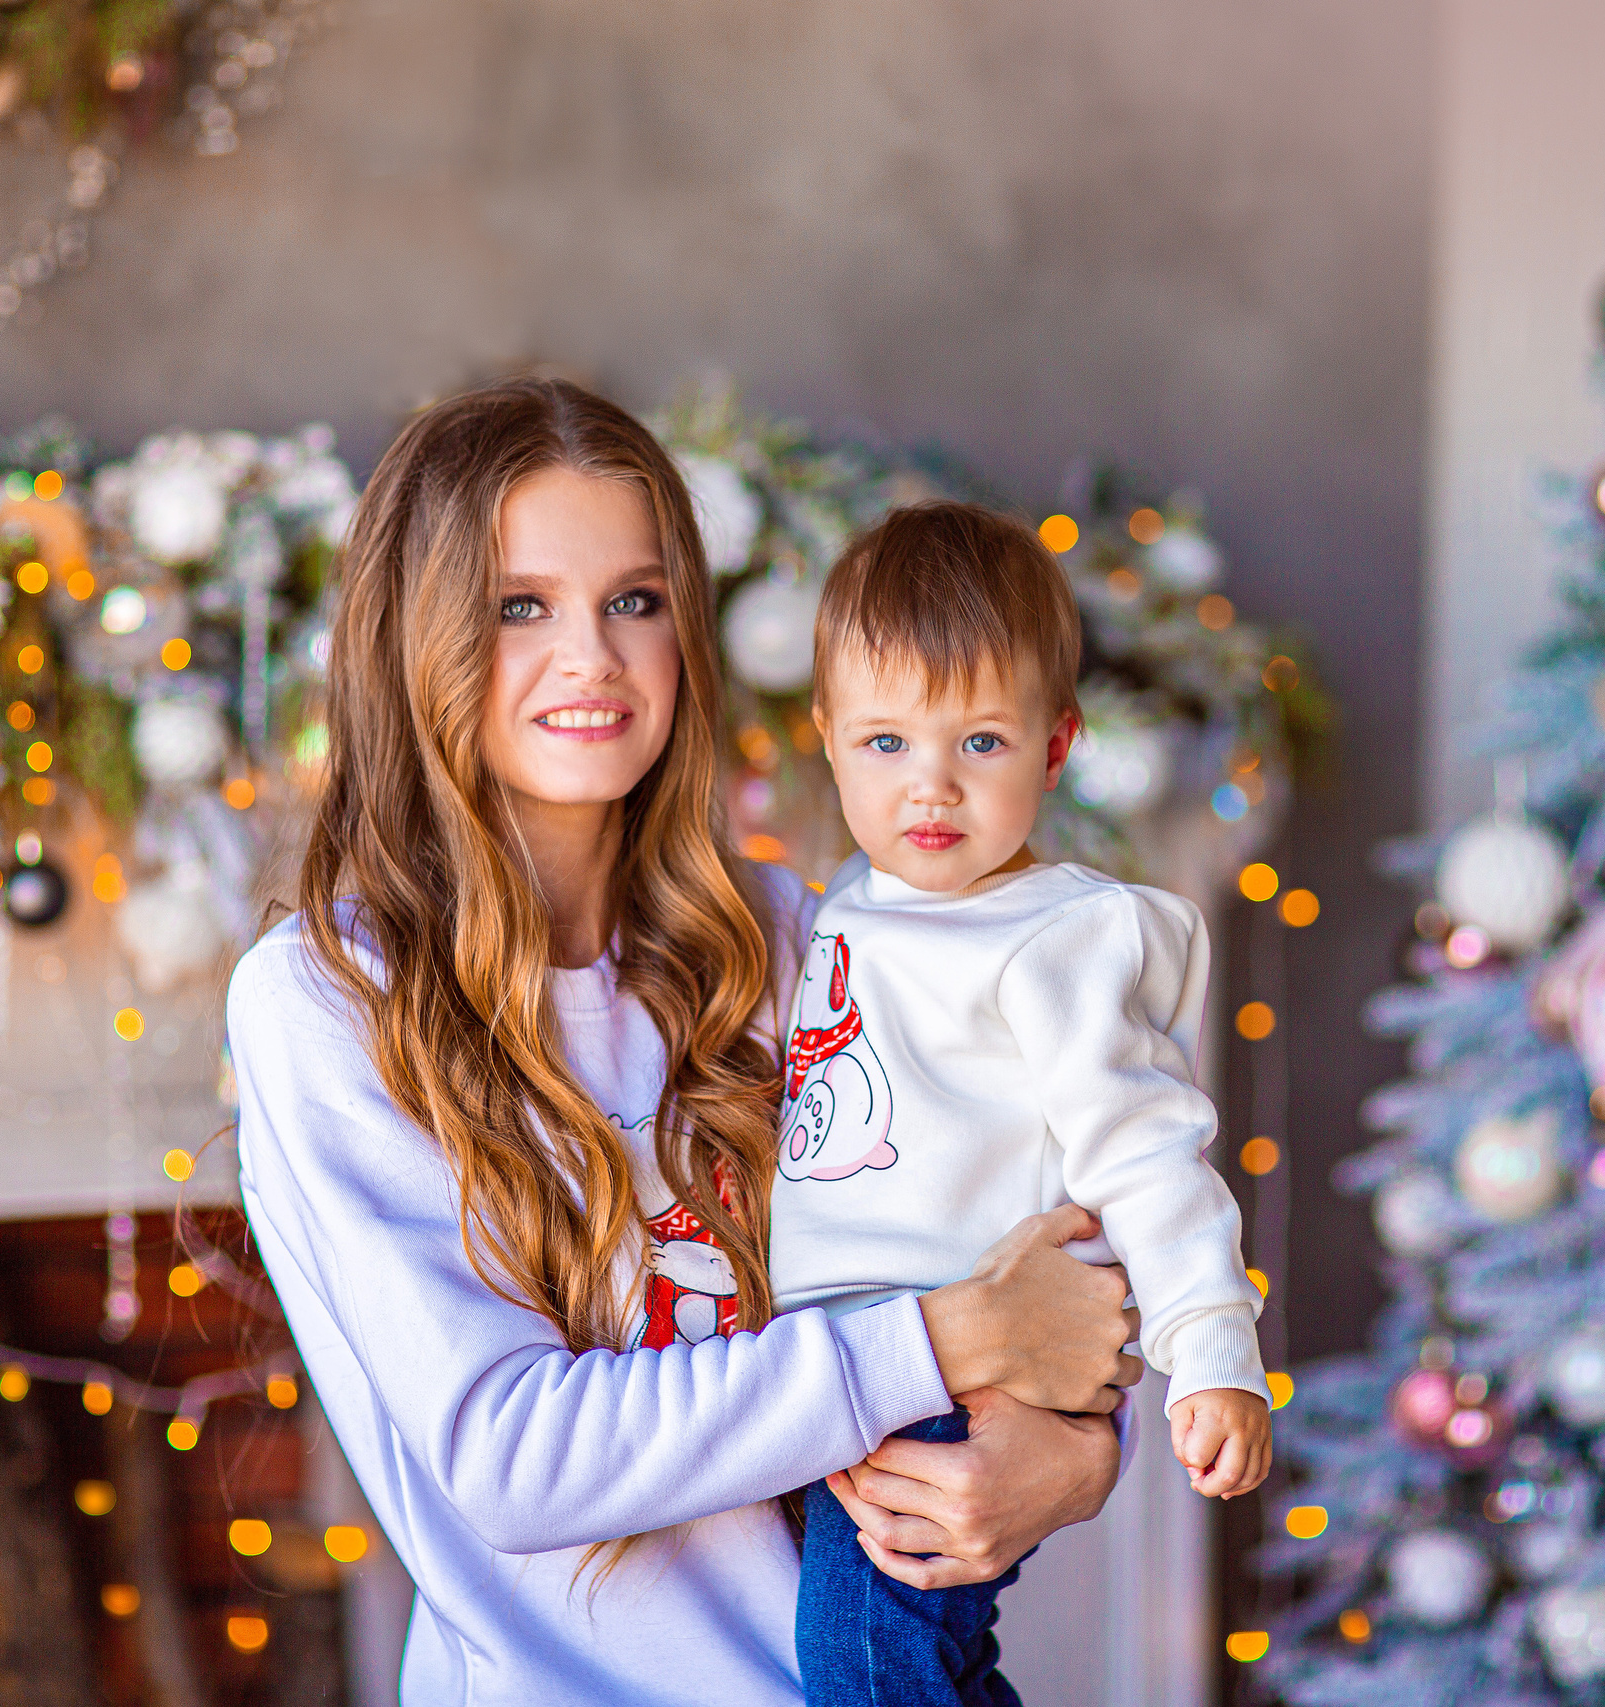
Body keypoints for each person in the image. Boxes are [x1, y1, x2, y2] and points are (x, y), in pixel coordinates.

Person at [227, 379, 1140, 1706]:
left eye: (635, 600)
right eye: (520, 605)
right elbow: (512, 1460)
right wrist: (941, 1343)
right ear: (417, 637)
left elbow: (1035, 1256)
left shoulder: (787, 936)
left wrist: (1078, 1458)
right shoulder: (331, 998)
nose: (591, 655)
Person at [778, 502, 1274, 1707]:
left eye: (981, 742)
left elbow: (1149, 1157)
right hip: (855, 1364)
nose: (930, 786)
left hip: (959, 1376)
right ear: (827, 741)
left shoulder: (1056, 940)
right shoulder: (847, 905)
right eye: (885, 741)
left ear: (1055, 749)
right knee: (934, 1666)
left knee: (863, 1665)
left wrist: (1214, 1355)